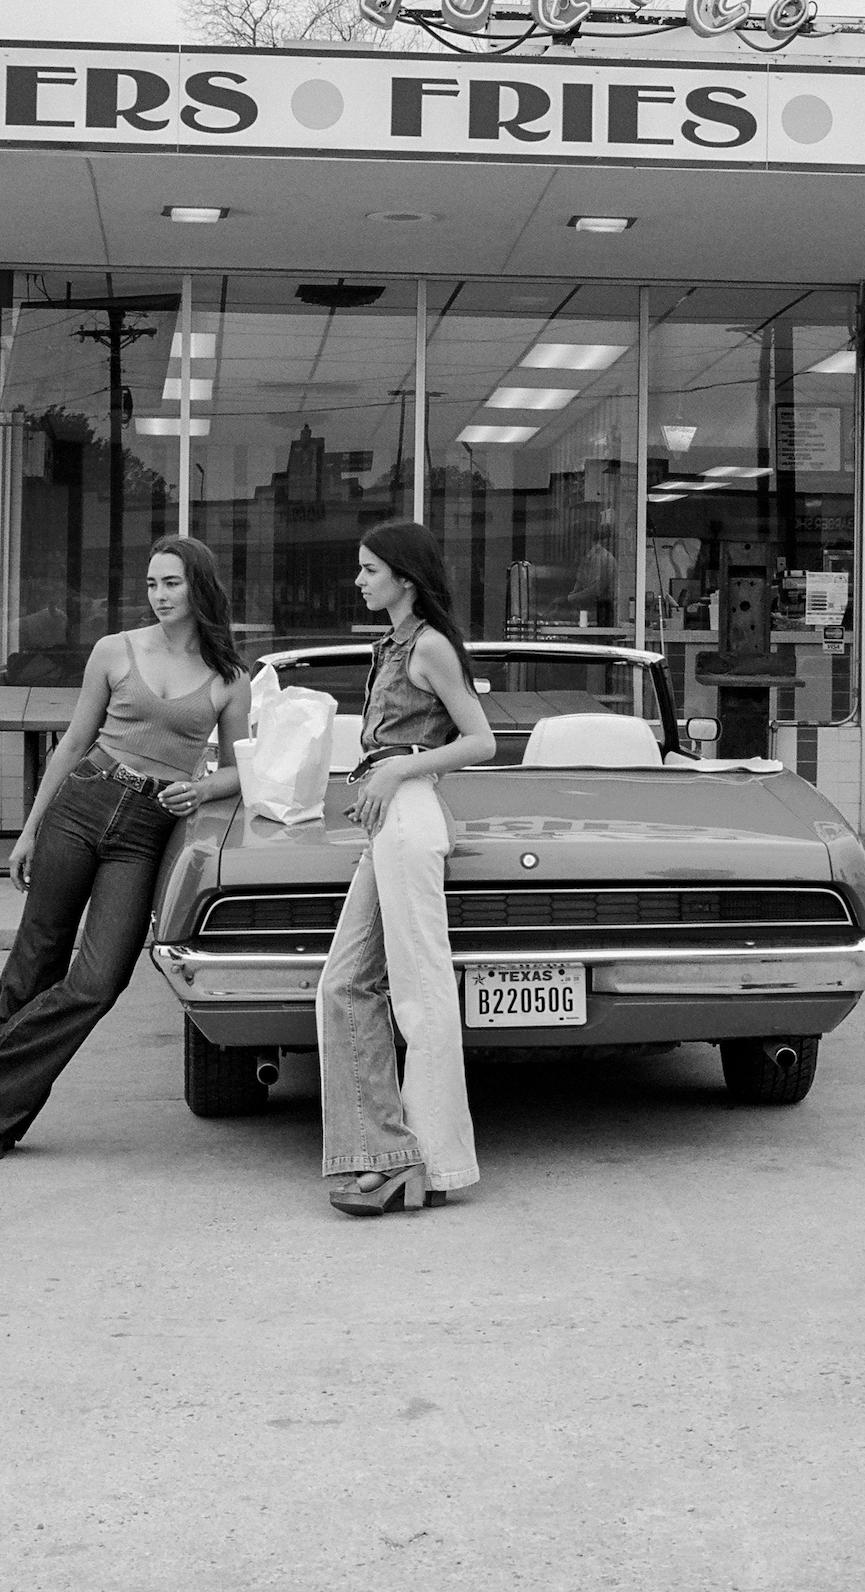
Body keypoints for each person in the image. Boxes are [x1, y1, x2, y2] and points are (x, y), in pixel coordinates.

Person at [0, 537, 254, 1161]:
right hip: (83, 803)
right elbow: (74, 742)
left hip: (146, 831)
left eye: (172, 583)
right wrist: (29, 830)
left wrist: (203, 787)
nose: (159, 595)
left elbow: (244, 769)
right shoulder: (114, 650)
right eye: (152, 583)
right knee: (36, 961)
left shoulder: (230, 677)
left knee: (100, 980)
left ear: (200, 587)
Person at [313, 520, 497, 1217]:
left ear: (405, 578)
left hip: (410, 810)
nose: (358, 580)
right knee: (343, 985)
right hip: (388, 815)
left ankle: (434, 1162)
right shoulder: (391, 646)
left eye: (370, 569)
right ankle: (390, 1153)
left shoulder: (430, 646)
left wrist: (396, 772)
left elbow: (480, 742)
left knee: (420, 992)